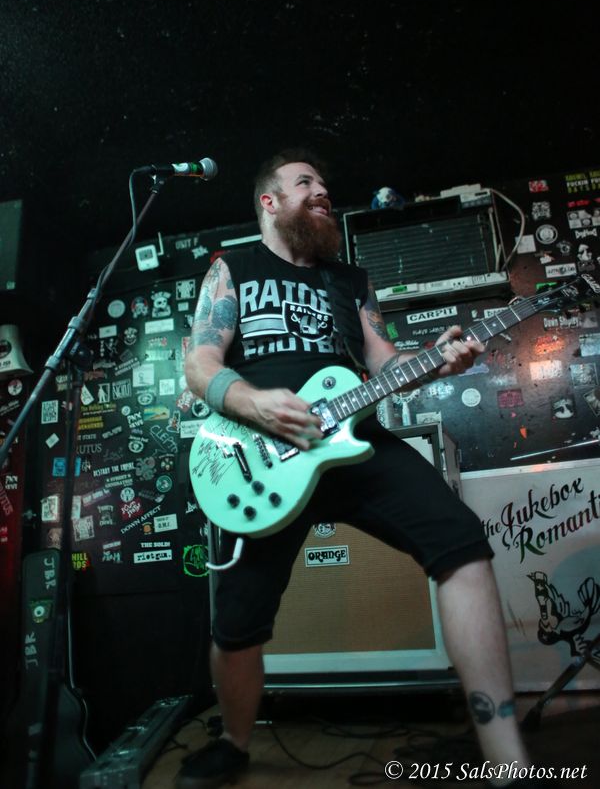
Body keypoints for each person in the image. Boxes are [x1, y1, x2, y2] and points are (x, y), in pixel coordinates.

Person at [180, 149, 531, 789]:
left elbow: (384, 364)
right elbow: (201, 364)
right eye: (305, 182)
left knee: (462, 546)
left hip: (353, 441)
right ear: (269, 201)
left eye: (324, 183)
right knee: (238, 623)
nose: (322, 191)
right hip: (263, 457)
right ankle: (233, 743)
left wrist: (437, 360)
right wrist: (254, 402)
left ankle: (507, 758)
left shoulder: (351, 280)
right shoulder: (233, 270)